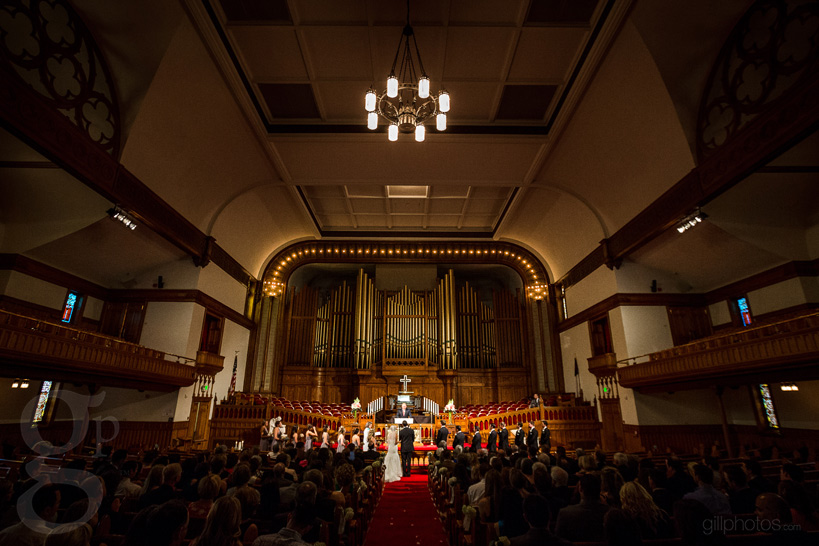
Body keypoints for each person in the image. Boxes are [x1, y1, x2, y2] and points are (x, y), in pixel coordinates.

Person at [554, 473, 610, 543]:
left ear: (580, 489)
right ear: (600, 489)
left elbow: (558, 541)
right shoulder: (610, 513)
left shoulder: (565, 513)